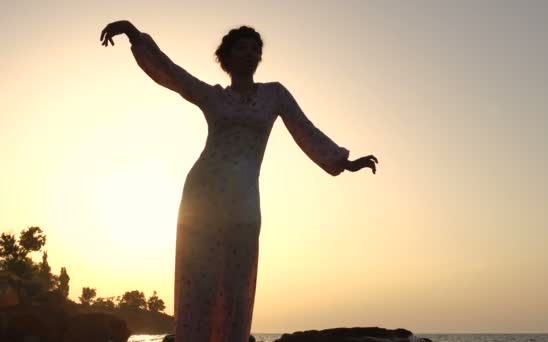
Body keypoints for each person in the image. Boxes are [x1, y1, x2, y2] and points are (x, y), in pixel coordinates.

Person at [100, 21, 378, 342]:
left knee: (237, 281)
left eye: (256, 49)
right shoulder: (213, 97)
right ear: (226, 58)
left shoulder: (274, 94)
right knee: (199, 281)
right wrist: (134, 34)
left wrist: (342, 161)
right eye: (243, 48)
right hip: (202, 196)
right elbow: (172, 73)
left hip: (244, 201)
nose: (251, 54)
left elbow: (304, 128)